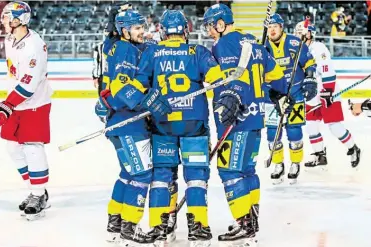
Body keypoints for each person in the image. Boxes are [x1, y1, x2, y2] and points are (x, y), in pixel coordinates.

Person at [135, 9, 223, 247]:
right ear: (186, 30)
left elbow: (137, 86)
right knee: (196, 177)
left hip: (163, 126)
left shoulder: (152, 52)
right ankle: (198, 228)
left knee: (163, 177)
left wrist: (150, 99)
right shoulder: (198, 52)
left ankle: (160, 227)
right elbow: (218, 79)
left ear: (162, 31)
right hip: (194, 125)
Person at [202, 4, 288, 246]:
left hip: (235, 120)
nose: (209, 30)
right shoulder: (256, 47)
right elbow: (279, 79)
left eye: (211, 25)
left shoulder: (224, 44)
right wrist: (268, 93)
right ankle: (251, 217)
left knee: (230, 171)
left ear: (220, 24)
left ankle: (245, 223)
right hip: (256, 118)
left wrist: (236, 97)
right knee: (248, 171)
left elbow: (232, 82)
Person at [97, 9, 171, 246]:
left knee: (128, 173)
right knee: (141, 174)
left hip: (118, 122)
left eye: (143, 27)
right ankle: (130, 226)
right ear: (125, 31)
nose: (143, 32)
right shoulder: (126, 49)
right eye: (138, 28)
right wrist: (146, 101)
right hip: (129, 122)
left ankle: (115, 220)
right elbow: (120, 85)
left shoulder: (121, 46)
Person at [0, 1, 51, 221]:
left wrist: (6, 106)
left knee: (32, 148)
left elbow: (29, 84)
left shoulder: (34, 46)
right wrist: (6, 104)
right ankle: (36, 190)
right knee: (13, 147)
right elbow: (15, 77)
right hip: (17, 103)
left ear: (18, 20)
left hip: (35, 104)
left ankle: (38, 194)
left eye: (6, 17)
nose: (2, 20)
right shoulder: (10, 39)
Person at [294, 22, 361, 168]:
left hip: (326, 93)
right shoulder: (298, 50)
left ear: (309, 34)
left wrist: (328, 91)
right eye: (297, 32)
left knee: (334, 126)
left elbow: (327, 70)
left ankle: (353, 148)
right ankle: (320, 155)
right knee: (311, 125)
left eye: (301, 32)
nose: (297, 35)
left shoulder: (318, 48)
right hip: (312, 95)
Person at [264, 13, 318, 184]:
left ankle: (295, 163)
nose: (272, 30)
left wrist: (310, 79)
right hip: (273, 96)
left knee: (294, 130)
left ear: (281, 27)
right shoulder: (263, 48)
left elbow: (309, 62)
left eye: (275, 27)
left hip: (295, 92)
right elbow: (258, 74)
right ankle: (278, 164)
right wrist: (269, 93)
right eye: (269, 27)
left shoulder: (295, 43)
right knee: (273, 133)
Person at [92, 1, 133, 95]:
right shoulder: (102, 46)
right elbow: (96, 62)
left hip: (119, 77)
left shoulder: (127, 43)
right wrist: (95, 77)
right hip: (106, 76)